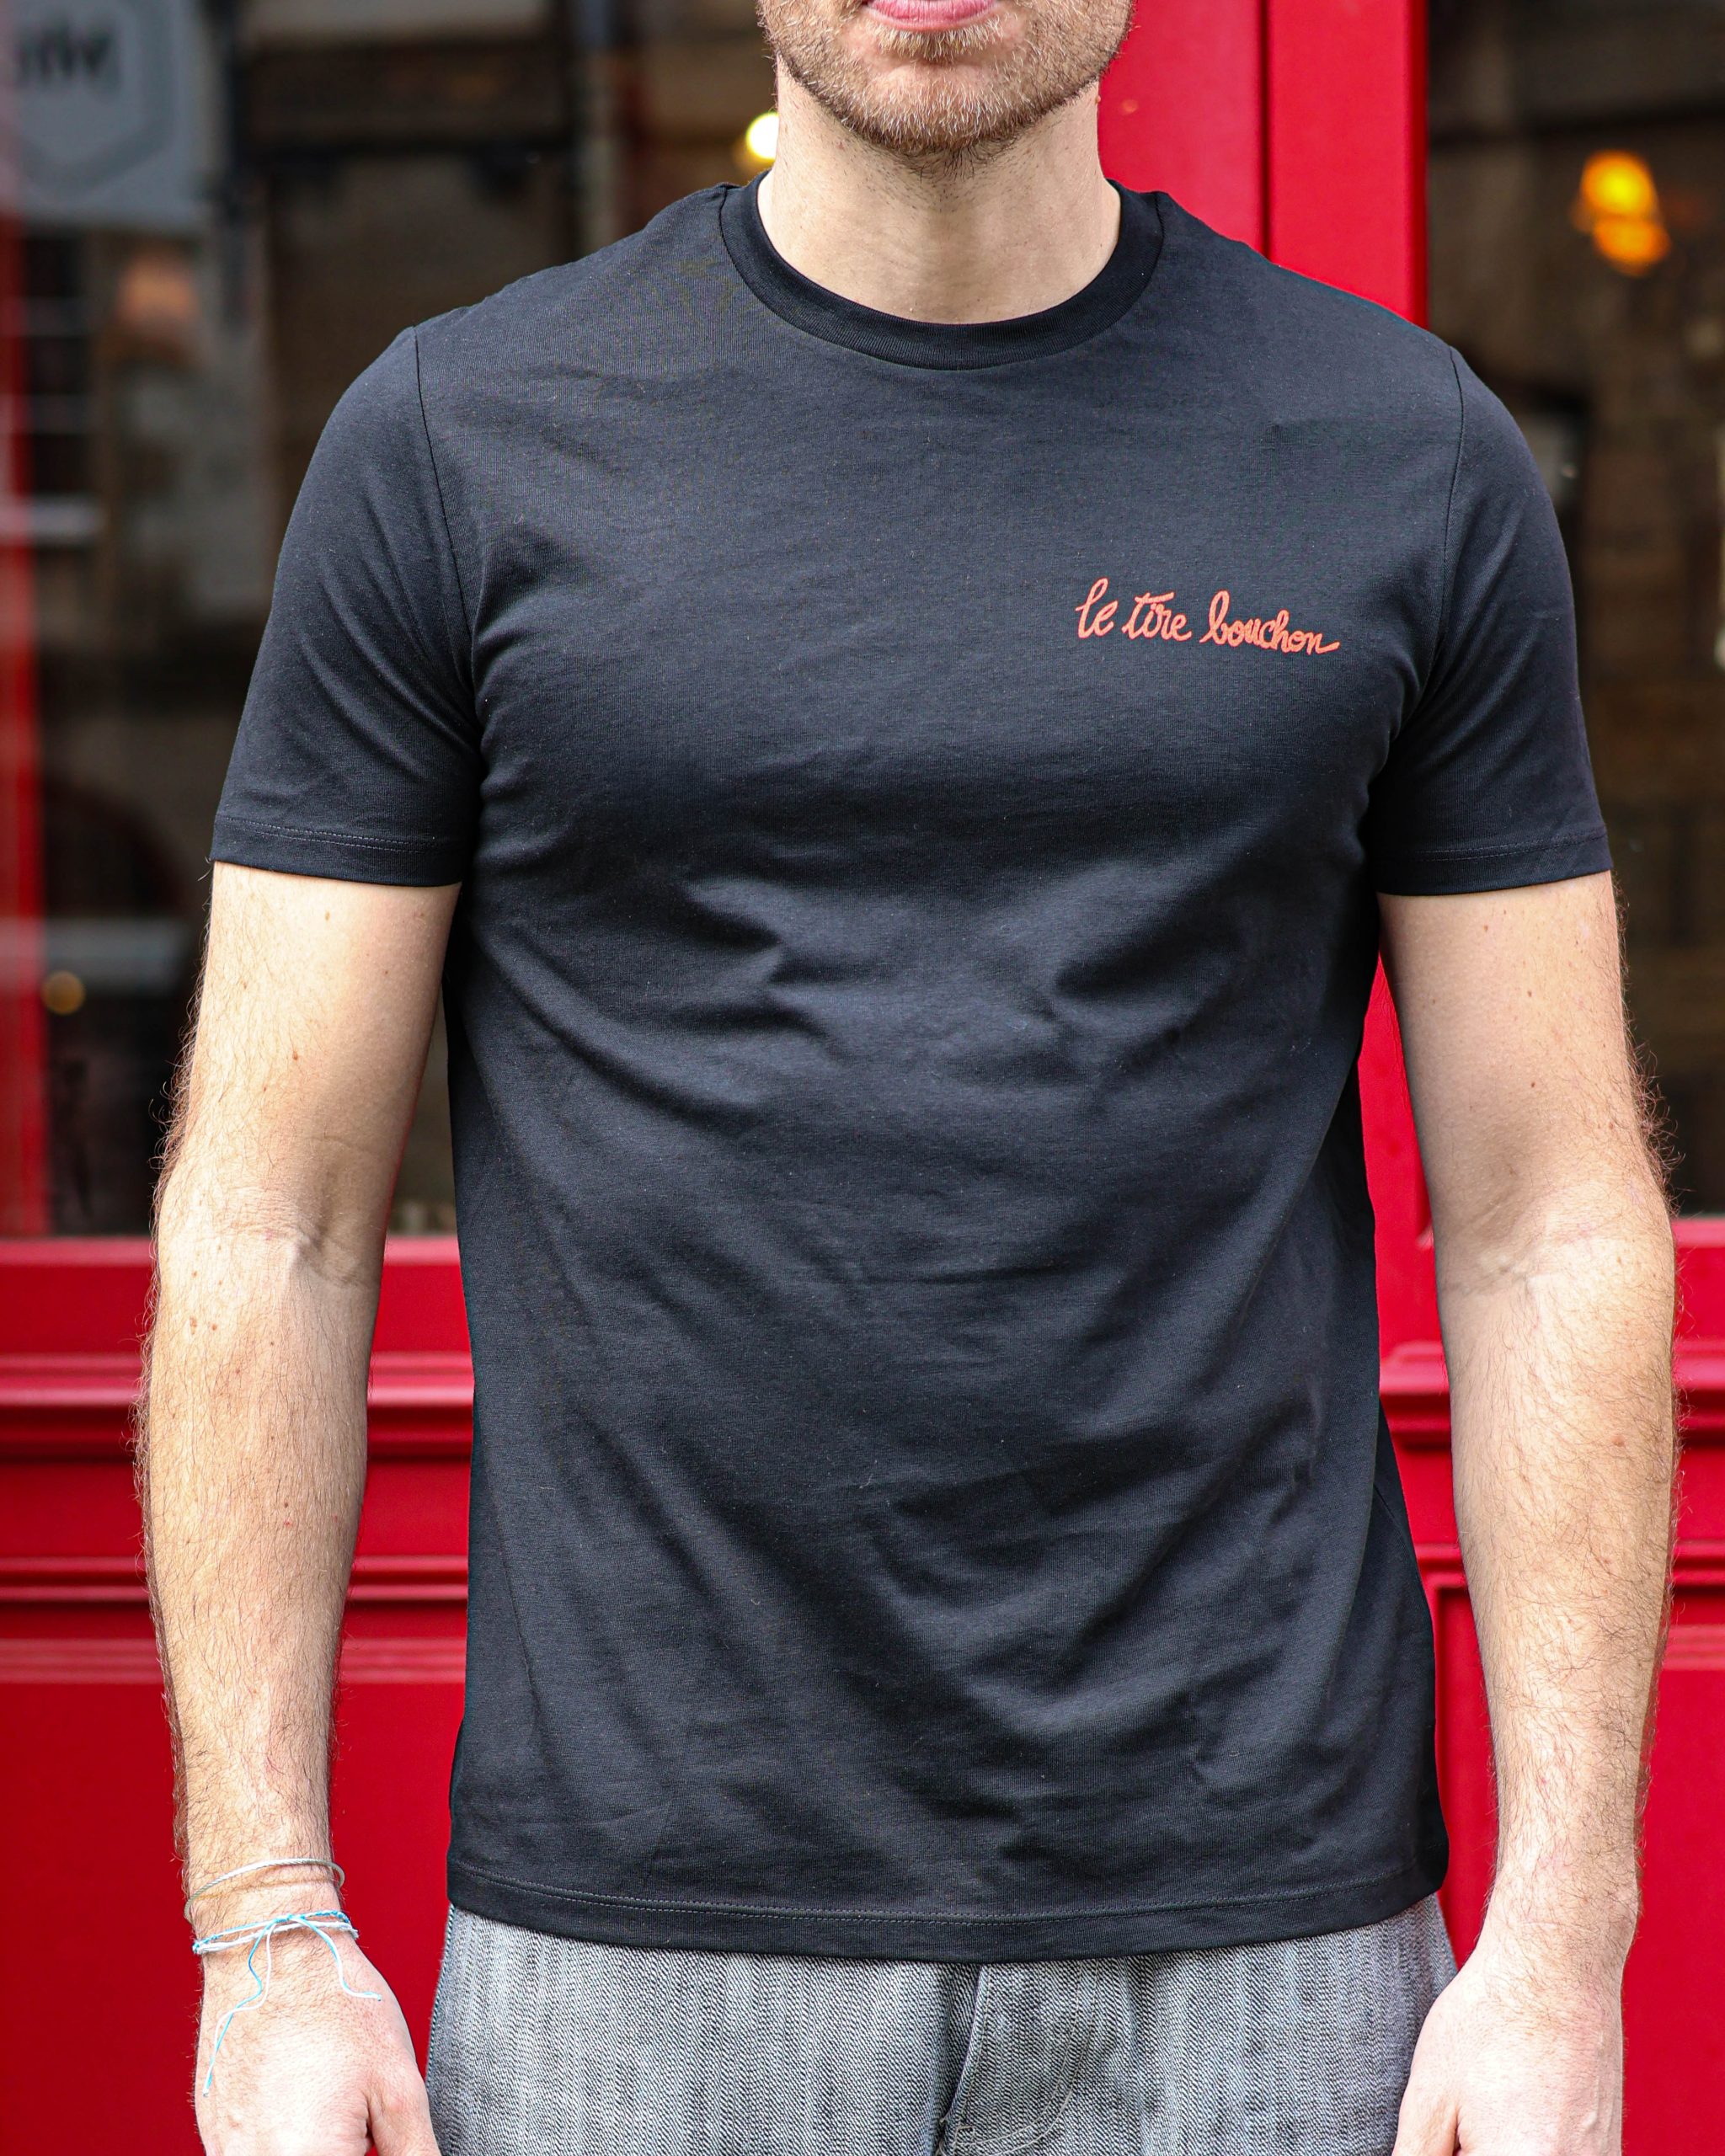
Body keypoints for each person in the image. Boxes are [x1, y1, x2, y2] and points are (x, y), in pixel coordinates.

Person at [138, 0, 1678, 2147]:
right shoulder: (459, 442)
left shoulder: (1394, 449)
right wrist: (267, 1924)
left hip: (1262, 1955)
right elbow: (270, 1218)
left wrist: (1564, 1935)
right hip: (634, 1966)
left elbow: (1548, 1224)